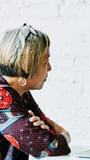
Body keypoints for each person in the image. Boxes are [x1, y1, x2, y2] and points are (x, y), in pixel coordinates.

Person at [0, 24, 71, 159]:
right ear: (26, 67)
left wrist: (48, 131)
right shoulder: (3, 96)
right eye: (45, 62)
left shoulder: (19, 91)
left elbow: (46, 128)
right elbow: (52, 147)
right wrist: (63, 135)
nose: (50, 68)